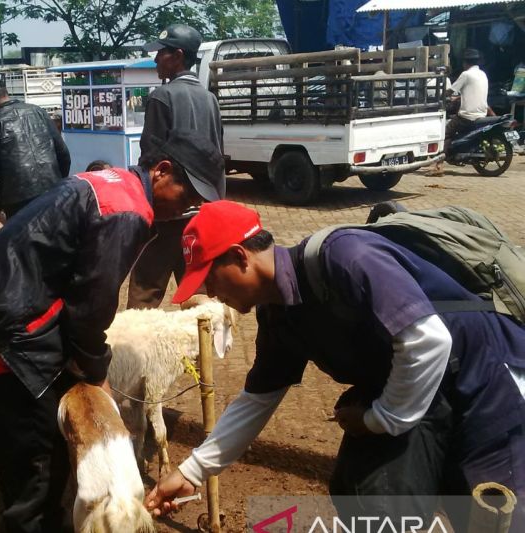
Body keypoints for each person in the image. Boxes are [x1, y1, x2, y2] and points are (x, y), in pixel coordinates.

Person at [145, 200, 525, 530]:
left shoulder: (344, 256)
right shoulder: (279, 316)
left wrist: (378, 420)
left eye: (210, 277)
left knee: (492, 508)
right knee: (364, 497)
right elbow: (256, 401)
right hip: (416, 393)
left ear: (240, 257)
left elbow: (428, 341)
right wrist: (191, 472)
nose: (211, 293)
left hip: (485, 378)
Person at [0, 129, 225, 533]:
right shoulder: (128, 212)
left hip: (2, 312)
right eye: (187, 198)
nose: (186, 209)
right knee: (39, 477)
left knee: (42, 463)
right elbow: (91, 309)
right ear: (162, 172)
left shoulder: (111, 184)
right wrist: (99, 378)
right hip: (11, 338)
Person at [127, 23, 224, 309]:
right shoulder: (210, 99)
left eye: (161, 53)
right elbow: (218, 156)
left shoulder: (161, 96)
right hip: (201, 214)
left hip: (166, 216)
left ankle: (140, 353)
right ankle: (200, 353)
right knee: (198, 294)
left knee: (144, 292)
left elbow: (151, 158)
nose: (156, 60)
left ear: (178, 55)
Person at [0, 76, 71, 222]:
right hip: (52, 191)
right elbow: (63, 154)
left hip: (18, 201)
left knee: (24, 242)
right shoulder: (39, 112)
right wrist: (59, 183)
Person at [428, 48, 490, 176]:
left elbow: (450, 91)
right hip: (481, 113)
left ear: (465, 63)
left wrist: (440, 95)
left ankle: (438, 166)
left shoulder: (466, 75)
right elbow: (472, 93)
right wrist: (457, 98)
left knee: (445, 133)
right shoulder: (482, 74)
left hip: (467, 115)